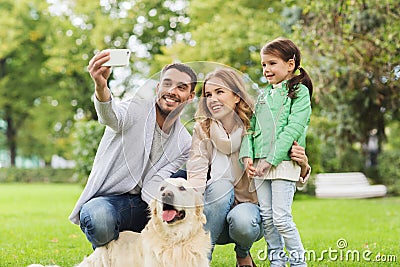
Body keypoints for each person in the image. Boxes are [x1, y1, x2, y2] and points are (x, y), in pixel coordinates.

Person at [69, 50, 197, 248]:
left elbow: (155, 182)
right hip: (108, 201)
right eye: (167, 84)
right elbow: (110, 116)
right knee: (100, 219)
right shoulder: (136, 109)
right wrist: (101, 86)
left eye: (181, 87)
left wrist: (168, 210)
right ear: (158, 88)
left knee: (188, 178)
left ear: (190, 97)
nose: (172, 91)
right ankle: (110, 251)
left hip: (143, 206)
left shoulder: (184, 143)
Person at [187, 68, 310, 267]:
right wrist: (195, 205)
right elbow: (196, 168)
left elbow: (281, 164)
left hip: (249, 215)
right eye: (208, 95)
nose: (212, 99)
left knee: (243, 220)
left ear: (236, 96)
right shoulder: (203, 129)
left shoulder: (258, 124)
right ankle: (200, 259)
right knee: (220, 187)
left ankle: (243, 253)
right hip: (213, 214)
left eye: (220, 92)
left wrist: (303, 166)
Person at [240, 37, 313, 267]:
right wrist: (247, 156)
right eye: (263, 65)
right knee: (268, 219)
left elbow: (293, 128)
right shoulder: (263, 95)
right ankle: (277, 262)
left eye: (272, 63)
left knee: (281, 217)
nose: (266, 69)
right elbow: (250, 129)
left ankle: (299, 262)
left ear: (290, 64)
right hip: (260, 165)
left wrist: (270, 160)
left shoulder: (300, 93)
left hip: (283, 164)